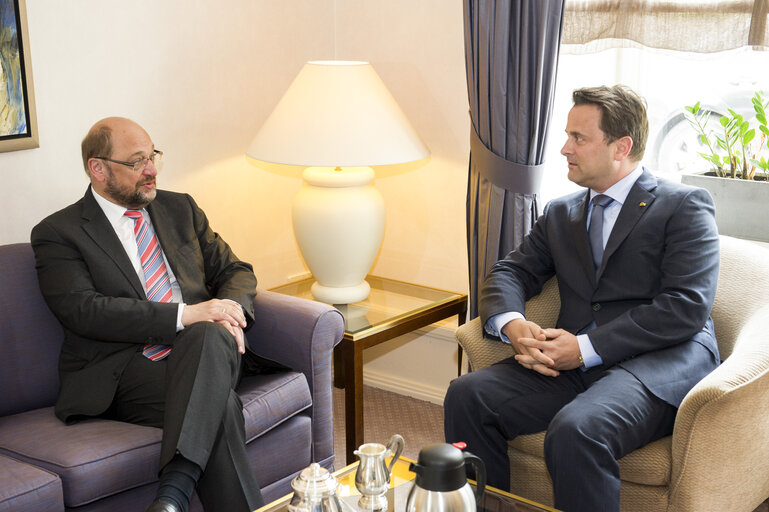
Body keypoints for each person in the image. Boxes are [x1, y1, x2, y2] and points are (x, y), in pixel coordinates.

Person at [444, 85, 720, 512]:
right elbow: (510, 271)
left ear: (620, 147)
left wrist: (585, 349)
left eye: (579, 138)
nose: (563, 148)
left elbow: (685, 306)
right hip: (571, 360)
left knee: (576, 429)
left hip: (656, 365)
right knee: (467, 394)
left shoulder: (683, 205)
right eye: (567, 135)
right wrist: (514, 325)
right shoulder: (561, 212)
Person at [31, 117, 283, 512]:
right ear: (98, 169)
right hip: (124, 373)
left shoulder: (179, 208)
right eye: (136, 162)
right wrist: (188, 314)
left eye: (152, 157)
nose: (150, 171)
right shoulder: (59, 233)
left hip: (206, 352)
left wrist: (227, 311)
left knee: (210, 335)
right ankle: (176, 491)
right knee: (221, 405)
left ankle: (173, 496)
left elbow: (236, 272)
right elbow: (84, 311)